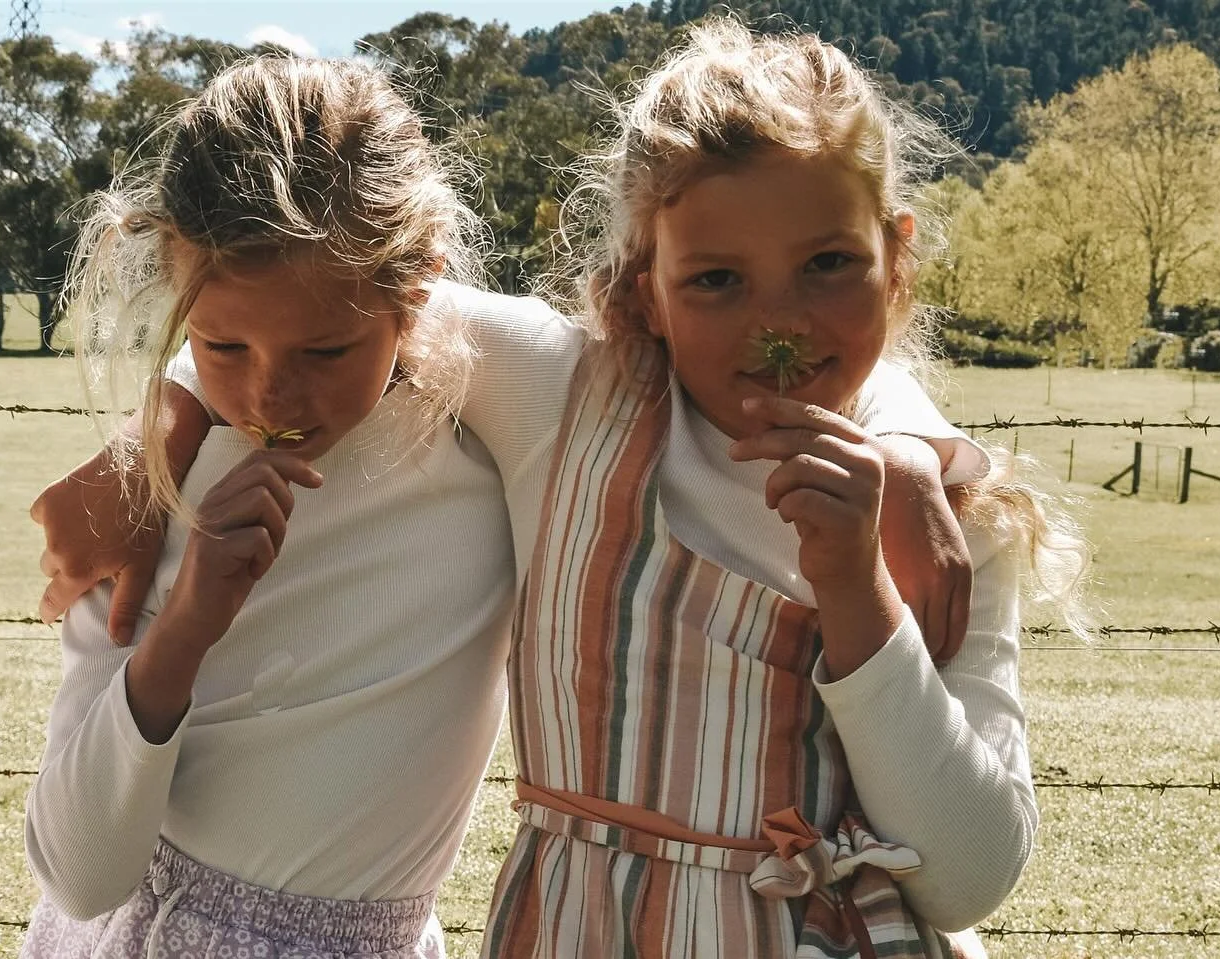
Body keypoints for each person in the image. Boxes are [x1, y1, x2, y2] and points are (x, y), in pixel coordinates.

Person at [463, 19, 1089, 959]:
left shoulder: (954, 518)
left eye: (829, 263)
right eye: (716, 279)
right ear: (644, 292)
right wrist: (173, 430)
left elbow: (968, 877)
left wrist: (858, 583)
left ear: (897, 257)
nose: (782, 323)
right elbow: (317, 290)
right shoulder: (557, 402)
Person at [19, 55, 517, 959]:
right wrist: (182, 633)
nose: (270, 395)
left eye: (326, 351)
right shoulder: (150, 500)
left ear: (419, 289)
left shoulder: (492, 447)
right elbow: (79, 873)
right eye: (219, 344)